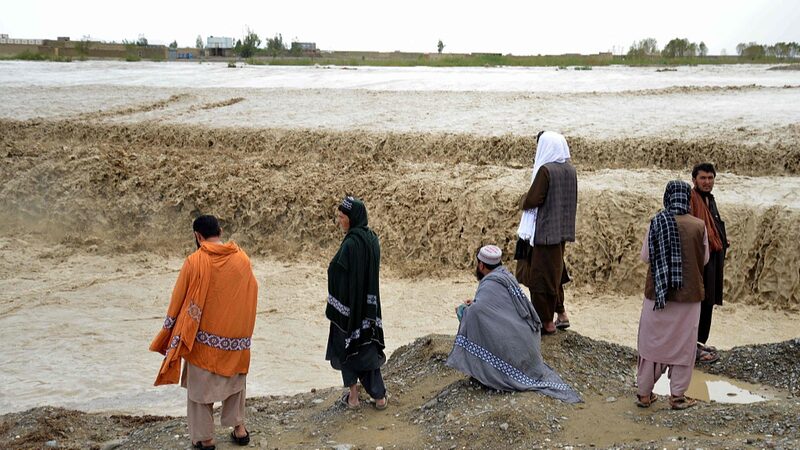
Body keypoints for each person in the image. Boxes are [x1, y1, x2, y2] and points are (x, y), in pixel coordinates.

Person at [150, 215, 258, 450]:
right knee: (235, 383)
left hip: (202, 340)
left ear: (198, 236)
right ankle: (240, 430)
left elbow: (178, 299)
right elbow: (251, 294)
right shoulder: (242, 258)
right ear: (220, 231)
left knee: (200, 390)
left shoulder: (195, 261)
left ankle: (206, 439)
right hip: (235, 339)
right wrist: (243, 333)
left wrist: (169, 331)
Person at [446, 245, 581, 403]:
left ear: (481, 265)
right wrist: (477, 303)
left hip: (515, 356)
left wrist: (466, 309)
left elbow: (478, 312)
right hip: (529, 348)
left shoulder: (489, 284)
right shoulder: (506, 276)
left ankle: (483, 368)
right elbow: (499, 308)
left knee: (466, 313)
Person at [636, 181, 709, 410]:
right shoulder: (699, 225)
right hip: (688, 297)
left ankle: (644, 395)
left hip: (658, 295)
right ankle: (677, 397)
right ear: (688, 199)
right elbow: (705, 259)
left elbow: (645, 257)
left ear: (667, 197)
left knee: (651, 344)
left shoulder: (657, 222)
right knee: (683, 346)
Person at [326, 196, 388, 410]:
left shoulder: (351, 243)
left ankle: (353, 398)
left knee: (346, 347)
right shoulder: (372, 239)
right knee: (367, 349)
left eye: (342, 217)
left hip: (349, 309)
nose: (339, 221)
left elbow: (336, 269)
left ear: (352, 218)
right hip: (369, 310)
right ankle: (379, 397)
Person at [515, 131, 578, 334]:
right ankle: (561, 314)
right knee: (555, 273)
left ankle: (546, 323)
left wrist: (522, 200)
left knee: (540, 279)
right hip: (561, 231)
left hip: (544, 233)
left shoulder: (546, 170)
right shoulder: (570, 170)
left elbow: (533, 200)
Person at [690, 163, 728, 364]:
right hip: (699, 260)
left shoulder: (709, 200)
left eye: (710, 178)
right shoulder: (691, 199)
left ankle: (698, 343)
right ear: (694, 180)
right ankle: (692, 347)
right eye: (703, 178)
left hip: (712, 259)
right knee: (698, 302)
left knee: (708, 302)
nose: (707, 182)